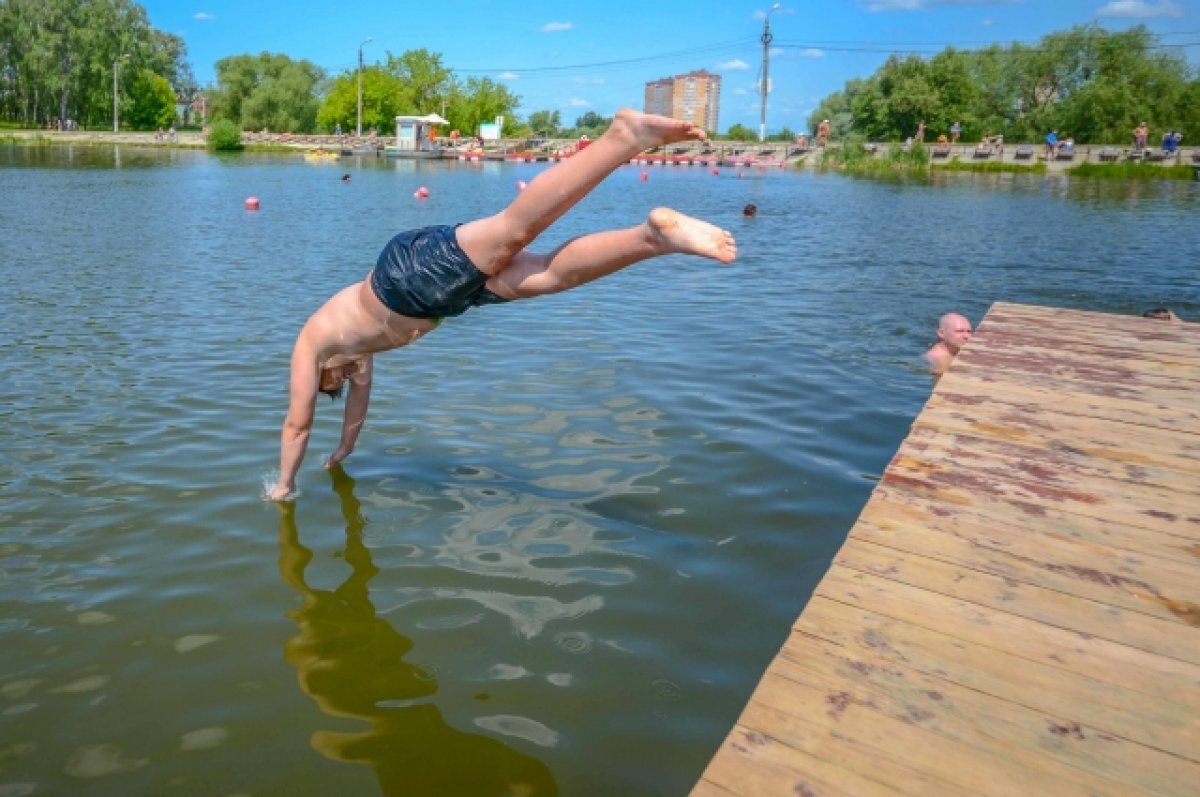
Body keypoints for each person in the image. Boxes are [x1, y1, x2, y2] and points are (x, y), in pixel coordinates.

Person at [267, 110, 738, 501]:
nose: (345, 380)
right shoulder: (354, 357)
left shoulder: (311, 345)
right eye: (341, 382)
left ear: (322, 374)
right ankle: (652, 238)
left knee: (513, 228)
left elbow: (296, 423)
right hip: (444, 300)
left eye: (335, 381)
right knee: (549, 275)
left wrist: (284, 485)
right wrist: (344, 450)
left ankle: (623, 138)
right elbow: (356, 415)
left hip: (406, 276)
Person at [923, 313, 973, 381]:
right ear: (941, 333)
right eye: (959, 331)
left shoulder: (955, 350)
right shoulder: (940, 361)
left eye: (969, 332)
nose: (966, 336)